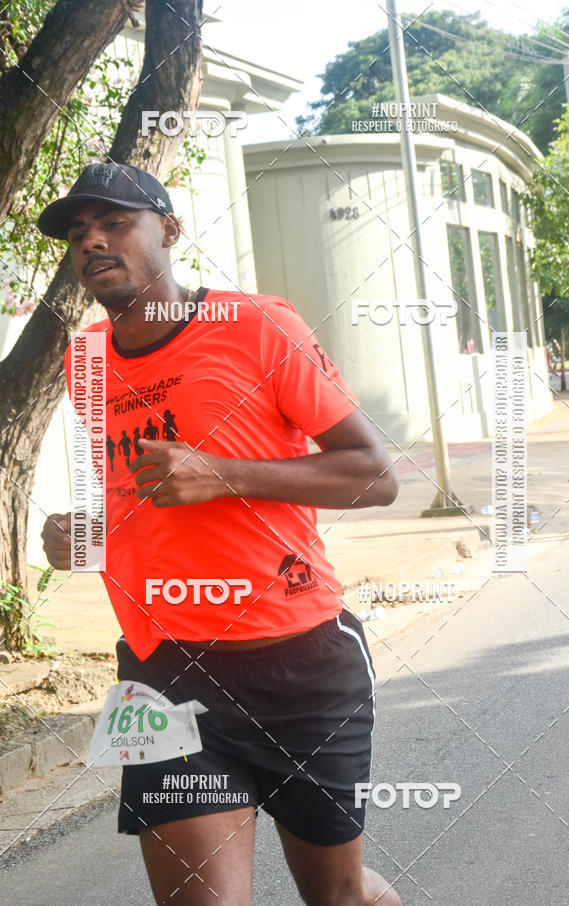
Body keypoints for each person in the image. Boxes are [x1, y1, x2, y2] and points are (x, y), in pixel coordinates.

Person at [39, 163, 402, 906]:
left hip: (300, 664)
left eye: (114, 223)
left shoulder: (259, 326)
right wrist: (87, 536)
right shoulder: (85, 364)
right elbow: (143, 498)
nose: (92, 243)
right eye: (79, 234)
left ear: (168, 231)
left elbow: (374, 474)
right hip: (163, 675)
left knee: (339, 897)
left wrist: (224, 474)